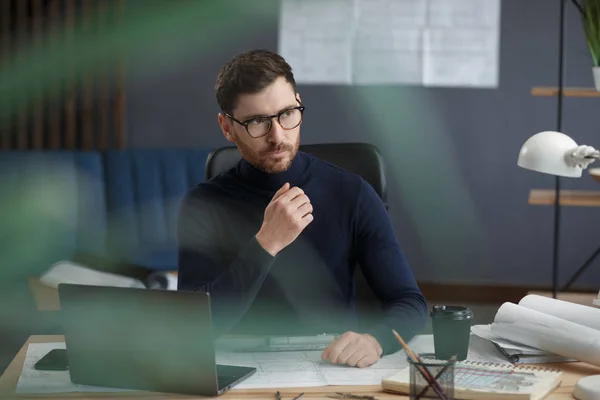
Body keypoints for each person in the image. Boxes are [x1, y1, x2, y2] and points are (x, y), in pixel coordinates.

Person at [177, 49, 427, 368]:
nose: (278, 135)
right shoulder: (203, 204)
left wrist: (375, 339)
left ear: (298, 102)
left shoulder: (353, 192)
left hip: (332, 364)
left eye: (287, 113)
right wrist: (266, 243)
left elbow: (410, 303)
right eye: (256, 122)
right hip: (237, 366)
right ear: (227, 127)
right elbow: (191, 326)